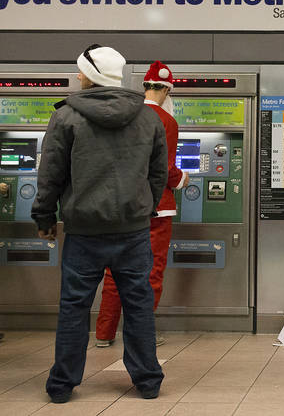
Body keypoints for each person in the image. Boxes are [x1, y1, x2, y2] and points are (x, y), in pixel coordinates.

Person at [31, 44, 166, 403]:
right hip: (133, 232)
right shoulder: (148, 117)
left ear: (90, 75)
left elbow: (51, 175)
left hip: (84, 232)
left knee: (74, 307)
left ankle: (62, 385)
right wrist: (144, 209)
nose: (77, 76)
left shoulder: (66, 117)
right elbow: (158, 174)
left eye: (80, 71)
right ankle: (148, 380)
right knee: (138, 304)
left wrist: (44, 217)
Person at [95, 61, 187, 348]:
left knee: (114, 270)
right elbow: (166, 168)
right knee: (152, 270)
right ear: (167, 90)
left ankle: (104, 333)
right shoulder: (166, 121)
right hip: (157, 207)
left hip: (121, 205)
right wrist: (184, 179)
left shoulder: (124, 115)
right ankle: (141, 334)